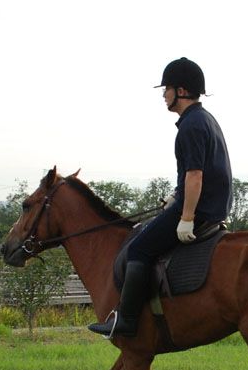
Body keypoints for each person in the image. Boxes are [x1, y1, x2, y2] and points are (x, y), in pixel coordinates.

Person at [88, 57, 233, 338]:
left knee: (138, 249)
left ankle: (126, 321)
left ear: (180, 91)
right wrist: (176, 195)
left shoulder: (191, 126)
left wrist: (187, 217)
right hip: (212, 205)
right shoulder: (204, 119)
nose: (163, 95)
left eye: (166, 88)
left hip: (200, 209)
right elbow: (200, 173)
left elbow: (196, 176)